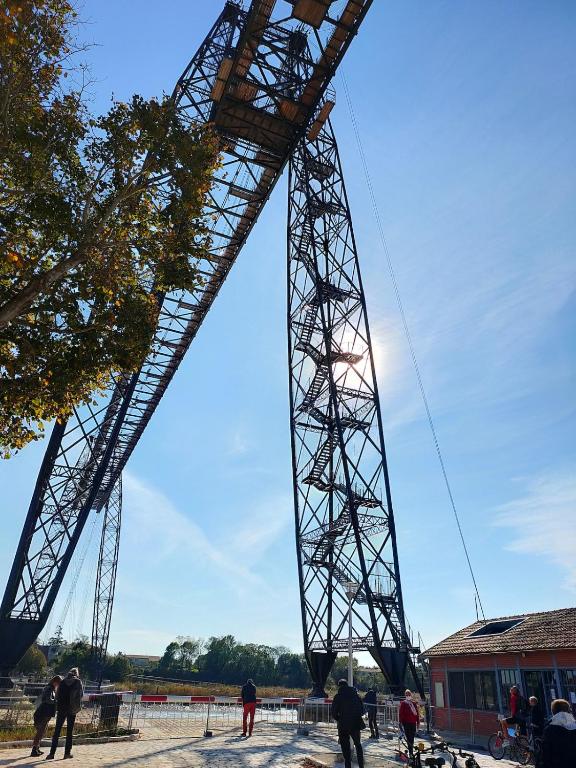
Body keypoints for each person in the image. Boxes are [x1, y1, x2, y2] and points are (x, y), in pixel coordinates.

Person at [46, 667, 84, 760]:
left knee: (57, 731)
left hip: (61, 708)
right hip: (72, 709)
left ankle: (51, 753)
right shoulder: (78, 682)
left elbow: (57, 695)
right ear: (76, 674)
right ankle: (67, 753)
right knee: (69, 732)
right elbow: (81, 695)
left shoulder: (62, 682)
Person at [331, 679, 365, 768]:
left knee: (345, 748)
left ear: (340, 686)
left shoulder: (338, 696)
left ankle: (348, 765)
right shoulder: (356, 695)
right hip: (355, 724)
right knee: (358, 744)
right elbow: (362, 710)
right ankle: (361, 765)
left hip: (343, 725)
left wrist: (339, 719)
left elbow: (333, 712)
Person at [31, 676, 62, 757]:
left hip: (46, 712)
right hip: (44, 712)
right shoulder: (49, 688)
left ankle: (37, 748)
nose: (58, 685)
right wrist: (56, 701)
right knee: (40, 731)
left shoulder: (51, 688)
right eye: (58, 683)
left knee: (42, 731)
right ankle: (34, 749)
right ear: (55, 682)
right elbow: (47, 700)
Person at [541, 698, 576, 768]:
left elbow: (546, 756)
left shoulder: (549, 729)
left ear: (553, 712)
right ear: (569, 711)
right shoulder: (574, 726)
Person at [399, 688, 419, 758]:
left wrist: (418, 722)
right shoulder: (403, 703)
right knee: (408, 737)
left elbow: (417, 714)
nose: (408, 696)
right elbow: (401, 713)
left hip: (413, 723)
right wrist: (400, 722)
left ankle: (411, 751)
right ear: (405, 695)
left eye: (409, 694)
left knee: (412, 738)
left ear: (411, 695)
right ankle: (410, 752)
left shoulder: (413, 703)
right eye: (407, 694)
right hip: (406, 723)